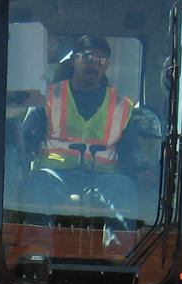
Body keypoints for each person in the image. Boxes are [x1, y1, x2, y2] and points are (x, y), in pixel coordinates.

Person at [20, 34, 147, 217]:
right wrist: (22, 156)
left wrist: (141, 164)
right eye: (88, 58)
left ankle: (120, 246)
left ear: (106, 66)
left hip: (104, 178)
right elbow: (26, 142)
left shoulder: (121, 106)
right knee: (37, 182)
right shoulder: (48, 97)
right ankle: (38, 246)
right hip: (55, 175)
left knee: (123, 187)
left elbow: (131, 150)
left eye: (101, 61)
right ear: (74, 60)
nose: (94, 65)